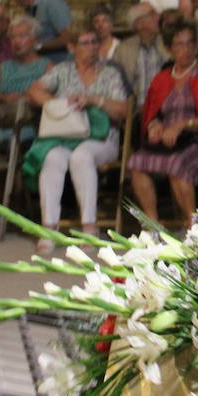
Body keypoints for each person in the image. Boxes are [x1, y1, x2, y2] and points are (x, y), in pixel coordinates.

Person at [128, 18, 198, 230]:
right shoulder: (161, 78)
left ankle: (193, 223)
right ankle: (153, 224)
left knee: (176, 165)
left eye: (190, 43)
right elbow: (152, 113)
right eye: (179, 44)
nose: (186, 49)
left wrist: (182, 125)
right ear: (170, 48)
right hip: (166, 141)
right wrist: (155, 126)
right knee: (136, 163)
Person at [23, 28, 130, 248]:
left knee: (81, 155)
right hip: (66, 137)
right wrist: (60, 106)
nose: (91, 47)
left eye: (94, 42)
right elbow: (34, 90)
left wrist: (93, 100)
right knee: (51, 156)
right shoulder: (63, 70)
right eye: (85, 43)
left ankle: (89, 226)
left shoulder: (110, 73)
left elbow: (123, 110)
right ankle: (49, 227)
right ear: (72, 47)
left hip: (103, 139)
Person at [0, 15, 51, 148]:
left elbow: (50, 100)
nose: (17, 41)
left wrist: (25, 97)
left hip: (31, 129)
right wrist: (2, 97)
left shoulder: (47, 66)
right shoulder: (2, 67)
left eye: (22, 36)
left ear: (35, 40)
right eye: (13, 37)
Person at [113, 3, 169, 112]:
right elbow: (117, 84)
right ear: (138, 24)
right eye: (152, 14)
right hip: (135, 113)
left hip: (167, 111)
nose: (158, 17)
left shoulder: (168, 44)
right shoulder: (124, 49)